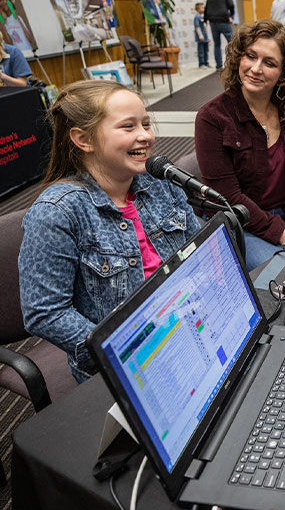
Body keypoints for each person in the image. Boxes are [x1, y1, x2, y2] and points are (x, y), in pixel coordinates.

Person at [18, 81, 201, 383]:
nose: (145, 135)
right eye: (128, 127)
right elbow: (45, 313)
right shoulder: (56, 213)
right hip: (124, 364)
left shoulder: (161, 184)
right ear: (84, 139)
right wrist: (125, 350)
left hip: (186, 332)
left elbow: (196, 253)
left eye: (145, 124)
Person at [195, 19, 285, 271]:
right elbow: (229, 197)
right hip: (243, 223)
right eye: (250, 56)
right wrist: (280, 232)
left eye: (269, 63)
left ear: (284, 73)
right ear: (238, 57)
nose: (255, 68)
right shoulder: (212, 118)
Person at [204, 0, 235, 70]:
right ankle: (234, 63)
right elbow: (231, 5)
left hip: (213, 22)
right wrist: (231, 16)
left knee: (217, 44)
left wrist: (206, 20)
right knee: (232, 43)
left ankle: (219, 66)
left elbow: (206, 8)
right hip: (224, 20)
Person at [194, 2, 209, 68]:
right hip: (201, 38)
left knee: (206, 50)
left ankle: (206, 63)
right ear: (198, 9)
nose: (204, 8)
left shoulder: (203, 16)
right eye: (203, 7)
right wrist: (200, 36)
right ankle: (201, 64)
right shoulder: (197, 17)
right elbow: (197, 27)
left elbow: (205, 27)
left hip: (205, 37)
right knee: (201, 51)